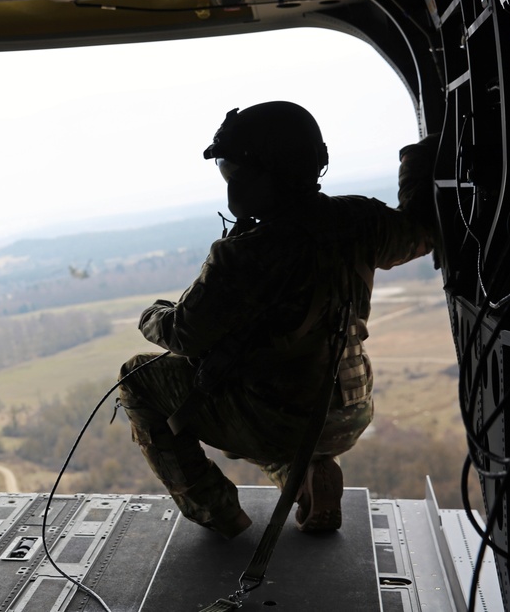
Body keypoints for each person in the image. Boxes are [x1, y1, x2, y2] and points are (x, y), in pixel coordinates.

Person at [118, 101, 437, 538]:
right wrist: (420, 159)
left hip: (277, 420)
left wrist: (150, 315)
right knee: (271, 395)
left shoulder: (247, 253)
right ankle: (306, 477)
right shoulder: (359, 220)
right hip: (348, 412)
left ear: (265, 173)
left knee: (136, 377)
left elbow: (182, 334)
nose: (231, 187)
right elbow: (421, 231)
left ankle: (216, 510)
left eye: (234, 173)